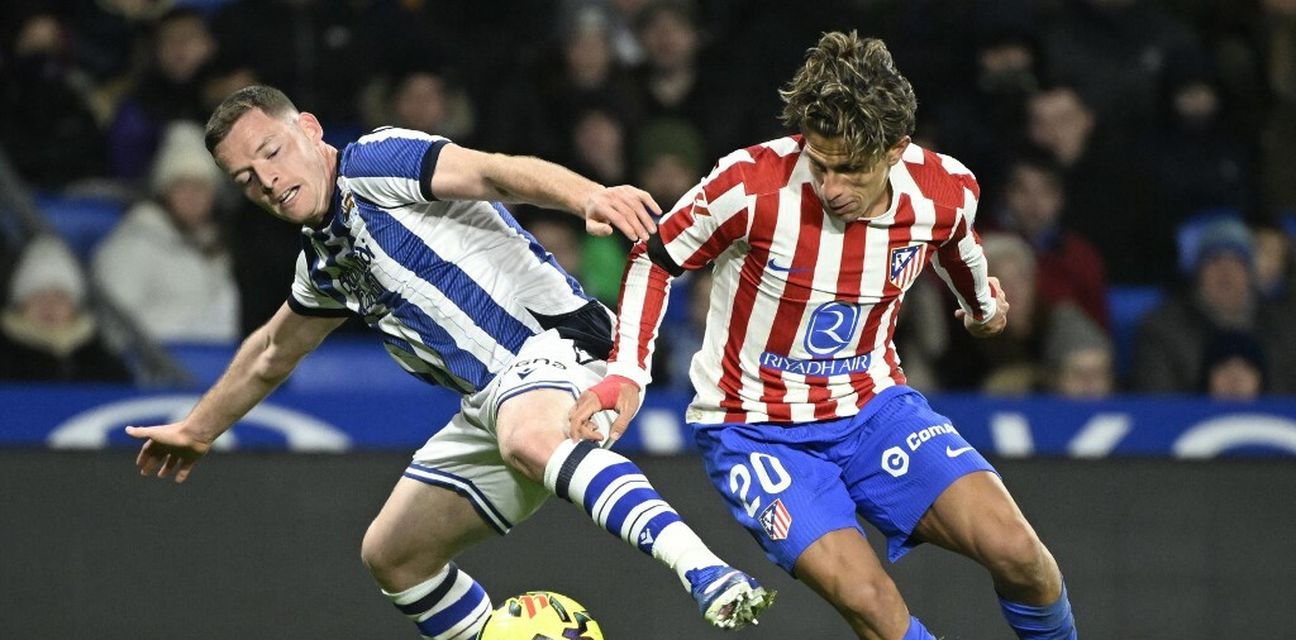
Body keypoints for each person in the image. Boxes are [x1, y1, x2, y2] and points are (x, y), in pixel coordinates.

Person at [124, 85, 773, 638]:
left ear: (310, 130)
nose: (266, 179)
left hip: (562, 347)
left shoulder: (374, 162)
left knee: (526, 435)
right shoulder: (323, 263)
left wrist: (588, 197)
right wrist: (199, 428)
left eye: (271, 151)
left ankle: (705, 571)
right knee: (393, 556)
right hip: (493, 401)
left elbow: (492, 172)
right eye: (245, 177)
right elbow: (272, 351)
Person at [571, 32, 1077, 639]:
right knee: (872, 603)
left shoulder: (945, 190)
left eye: (851, 169)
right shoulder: (750, 185)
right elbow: (655, 258)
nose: (833, 187)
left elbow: (956, 248)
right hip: (755, 428)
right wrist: (627, 372)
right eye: (821, 164)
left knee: (1021, 555)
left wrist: (981, 309)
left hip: (873, 407)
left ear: (896, 150)